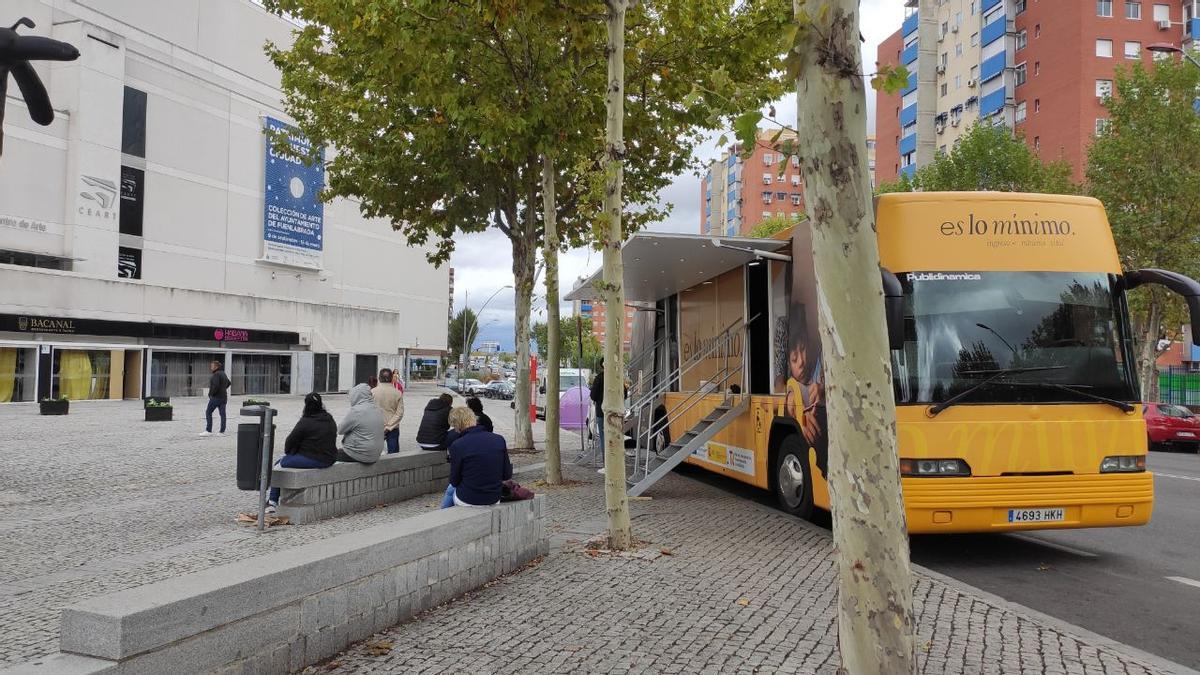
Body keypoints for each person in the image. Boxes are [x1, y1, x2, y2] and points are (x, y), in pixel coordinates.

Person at [266, 392, 337, 511]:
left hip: (314, 459)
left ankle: (272, 502)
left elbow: (289, 442)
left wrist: (289, 453)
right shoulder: (329, 419)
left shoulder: (305, 421)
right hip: (329, 458)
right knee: (283, 460)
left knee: (278, 465)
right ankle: (272, 501)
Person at [442, 406, 512, 508]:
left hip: (468, 499)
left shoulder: (458, 445)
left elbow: (454, 480)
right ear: (474, 419)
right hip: (494, 497)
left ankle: (443, 515)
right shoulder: (499, 439)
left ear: (456, 426)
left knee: (450, 489)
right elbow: (507, 475)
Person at [336, 383, 385, 464]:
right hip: (375, 454)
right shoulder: (377, 409)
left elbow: (340, 430)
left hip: (360, 454)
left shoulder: (357, 411)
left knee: (330, 455)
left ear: (356, 396)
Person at [372, 368, 405, 454]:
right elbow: (400, 413)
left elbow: (368, 410)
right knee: (393, 454)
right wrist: (388, 427)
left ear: (379, 378)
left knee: (374, 453)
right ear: (391, 378)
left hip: (376, 426)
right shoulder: (397, 393)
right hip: (393, 427)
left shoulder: (372, 392)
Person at [199, 360, 231, 437]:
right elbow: (229, 383)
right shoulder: (223, 373)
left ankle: (208, 430)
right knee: (223, 414)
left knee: (208, 412)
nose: (211, 367)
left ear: (216, 367)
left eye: (212, 366)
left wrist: (211, 394)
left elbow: (215, 386)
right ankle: (222, 432)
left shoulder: (216, 374)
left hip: (216, 397)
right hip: (224, 397)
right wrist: (223, 389)